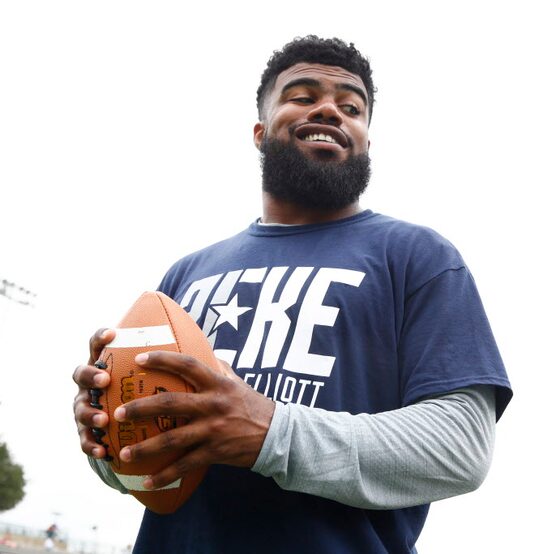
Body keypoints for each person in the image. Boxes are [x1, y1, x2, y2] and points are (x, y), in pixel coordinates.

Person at [72, 35, 512, 553]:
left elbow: (457, 449)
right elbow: (144, 472)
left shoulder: (418, 256)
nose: (330, 109)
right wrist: (107, 438)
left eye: (352, 107)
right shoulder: (185, 275)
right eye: (303, 96)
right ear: (261, 132)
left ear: (365, 141)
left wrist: (270, 434)